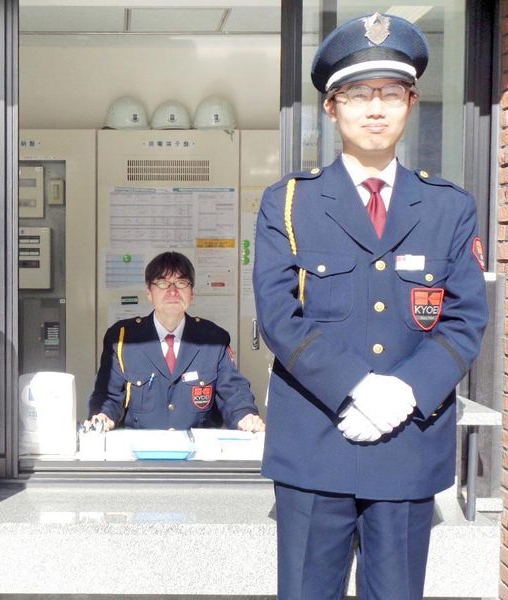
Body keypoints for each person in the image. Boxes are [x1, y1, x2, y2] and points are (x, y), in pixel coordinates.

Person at [253, 13, 488, 599]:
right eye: (359, 94)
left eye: (391, 93)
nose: (375, 108)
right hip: (315, 443)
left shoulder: (449, 207)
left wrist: (405, 391)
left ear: (411, 103)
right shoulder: (289, 203)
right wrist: (357, 386)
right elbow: (278, 315)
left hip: (407, 445)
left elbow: (464, 321)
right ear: (332, 108)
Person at [87, 251, 264, 432]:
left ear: (191, 293)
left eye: (181, 283)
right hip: (141, 446)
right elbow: (108, 395)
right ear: (149, 292)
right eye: (163, 283)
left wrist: (245, 415)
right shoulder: (123, 339)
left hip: (197, 447)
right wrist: (103, 415)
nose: (172, 292)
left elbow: (233, 392)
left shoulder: (212, 340)